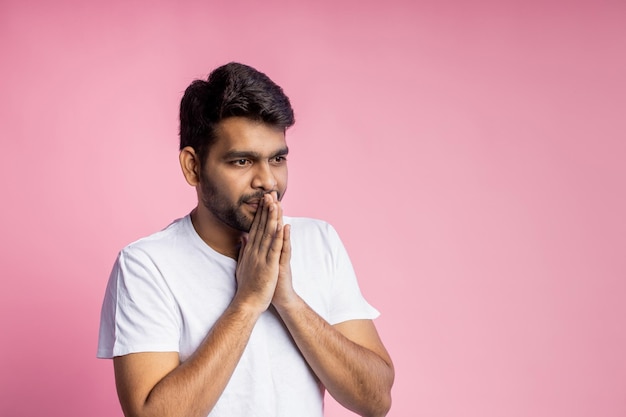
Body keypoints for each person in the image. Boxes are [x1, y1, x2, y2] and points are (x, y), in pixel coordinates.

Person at [97, 62, 394, 417]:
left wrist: (287, 300)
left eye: (278, 158)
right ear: (193, 166)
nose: (267, 180)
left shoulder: (320, 241)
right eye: (242, 161)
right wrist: (248, 301)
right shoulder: (146, 265)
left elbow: (376, 400)